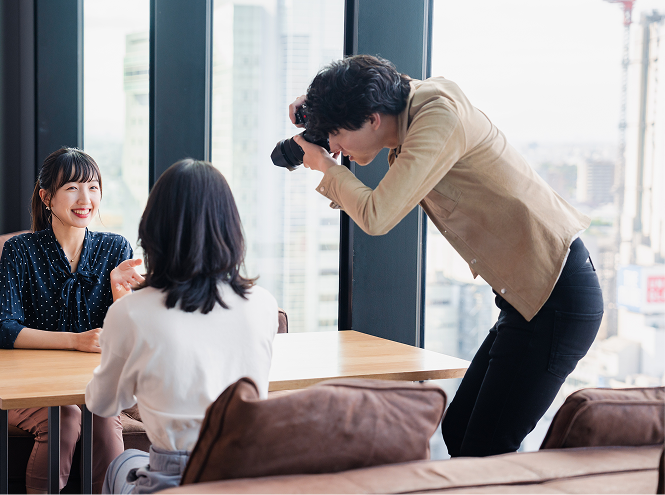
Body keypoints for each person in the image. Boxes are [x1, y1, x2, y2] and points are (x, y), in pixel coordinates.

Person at [290, 55, 603, 457]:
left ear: (371, 119)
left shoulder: (437, 115)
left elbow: (377, 214)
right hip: (527, 300)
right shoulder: (408, 107)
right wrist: (316, 108)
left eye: (336, 134)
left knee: (485, 449)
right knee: (459, 432)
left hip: (557, 299)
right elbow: (376, 81)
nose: (334, 147)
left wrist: (325, 169)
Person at [84, 159, 280, 495]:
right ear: (230, 227)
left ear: (154, 228)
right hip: (248, 474)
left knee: (123, 463)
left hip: (175, 477)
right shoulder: (263, 304)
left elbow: (103, 405)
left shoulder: (131, 312)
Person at [0, 147, 145, 495]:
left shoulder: (115, 248)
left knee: (103, 421)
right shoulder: (20, 250)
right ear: (47, 197)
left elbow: (129, 336)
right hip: (26, 383)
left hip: (92, 382)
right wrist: (74, 340)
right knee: (66, 417)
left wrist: (120, 290)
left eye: (92, 187)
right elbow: (2, 329)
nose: (84, 198)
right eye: (72, 188)